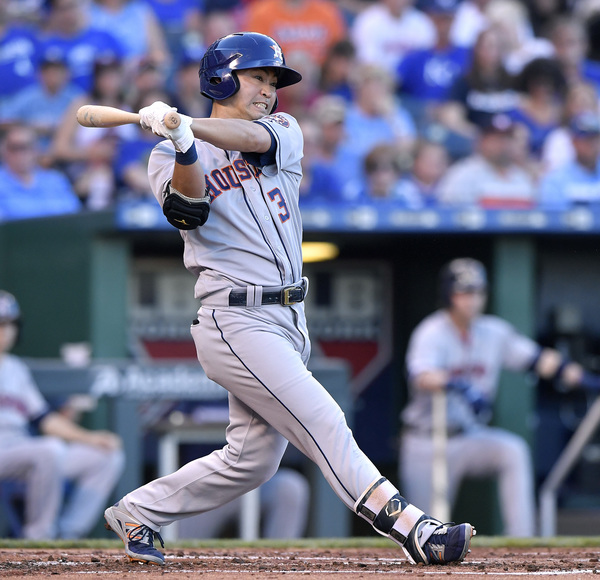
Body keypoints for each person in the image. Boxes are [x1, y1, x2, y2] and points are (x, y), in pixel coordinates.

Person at [102, 31, 475, 567]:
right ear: (222, 78)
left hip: (289, 316)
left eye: (272, 80)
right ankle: (415, 530)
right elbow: (188, 210)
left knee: (251, 461)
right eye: (257, 77)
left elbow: (252, 139)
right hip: (234, 317)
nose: (268, 89)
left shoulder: (284, 129)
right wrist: (184, 142)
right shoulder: (166, 154)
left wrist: (187, 123)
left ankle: (139, 510)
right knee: (324, 419)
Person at [399, 258, 587, 537]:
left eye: (478, 292)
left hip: (468, 436)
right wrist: (458, 385)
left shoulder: (493, 331)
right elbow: (421, 376)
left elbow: (536, 359)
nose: (472, 300)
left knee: (512, 450)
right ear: (449, 295)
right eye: (465, 292)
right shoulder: (431, 331)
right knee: (424, 532)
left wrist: (571, 372)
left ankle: (522, 538)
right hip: (428, 440)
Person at [0, 290, 124, 539]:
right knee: (50, 450)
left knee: (106, 456)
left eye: (9, 324)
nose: (5, 331)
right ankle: (39, 535)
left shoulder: (15, 368)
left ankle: (68, 534)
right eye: (1, 324)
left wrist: (90, 438)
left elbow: (44, 419)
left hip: (21, 451)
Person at [437, 114, 537, 208]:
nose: (503, 145)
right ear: (482, 142)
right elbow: (448, 213)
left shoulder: (522, 177)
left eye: (507, 139)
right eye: (496, 139)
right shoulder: (463, 175)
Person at [0, 125, 81, 220]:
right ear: (4, 150)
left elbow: (74, 213)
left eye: (27, 146)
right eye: (14, 148)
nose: (21, 154)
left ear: (37, 150)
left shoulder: (55, 180)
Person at [351, 0, 436, 76]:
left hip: (412, 79)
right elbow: (368, 61)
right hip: (379, 78)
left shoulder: (421, 22)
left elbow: (426, 58)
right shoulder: (368, 20)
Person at [538, 112, 600, 209]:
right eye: (587, 139)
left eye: (596, 139)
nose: (593, 145)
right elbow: (553, 217)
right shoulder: (555, 181)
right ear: (574, 142)